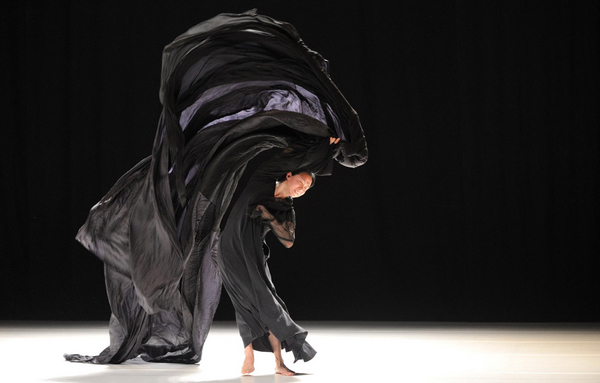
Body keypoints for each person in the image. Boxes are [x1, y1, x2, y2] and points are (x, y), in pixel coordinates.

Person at [64, 9, 367, 373]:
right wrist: (329, 142)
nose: (302, 188)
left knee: (248, 294)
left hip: (235, 240)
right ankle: (290, 343)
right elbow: (347, 155)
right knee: (257, 291)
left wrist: (312, 165)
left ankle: (252, 359)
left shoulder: (273, 190)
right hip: (233, 239)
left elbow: (287, 233)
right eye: (302, 182)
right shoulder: (268, 163)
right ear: (290, 170)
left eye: (304, 189)